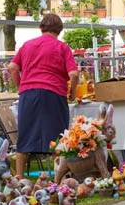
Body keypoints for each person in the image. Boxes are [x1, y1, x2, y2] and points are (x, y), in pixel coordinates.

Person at [7, 12, 80, 178]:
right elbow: (74, 74)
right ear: (59, 30)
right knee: (59, 138)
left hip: (29, 94)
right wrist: (72, 93)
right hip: (54, 94)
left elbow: (12, 67)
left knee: (25, 136)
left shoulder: (27, 45)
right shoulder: (62, 47)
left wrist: (21, 86)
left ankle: (19, 177)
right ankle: (58, 178)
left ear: (41, 28)